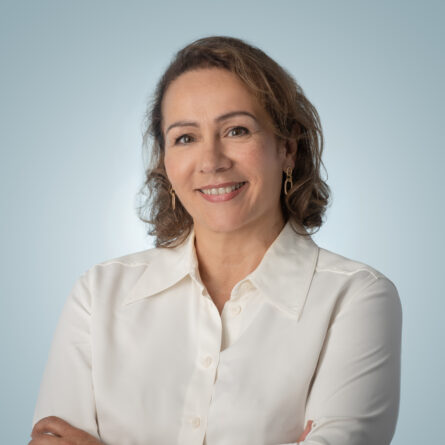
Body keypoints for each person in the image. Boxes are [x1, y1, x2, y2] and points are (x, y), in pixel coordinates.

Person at [30, 36, 402, 445]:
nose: (211, 161)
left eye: (236, 130)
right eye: (185, 138)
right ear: (165, 161)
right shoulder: (98, 295)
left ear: (287, 148)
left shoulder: (356, 298)